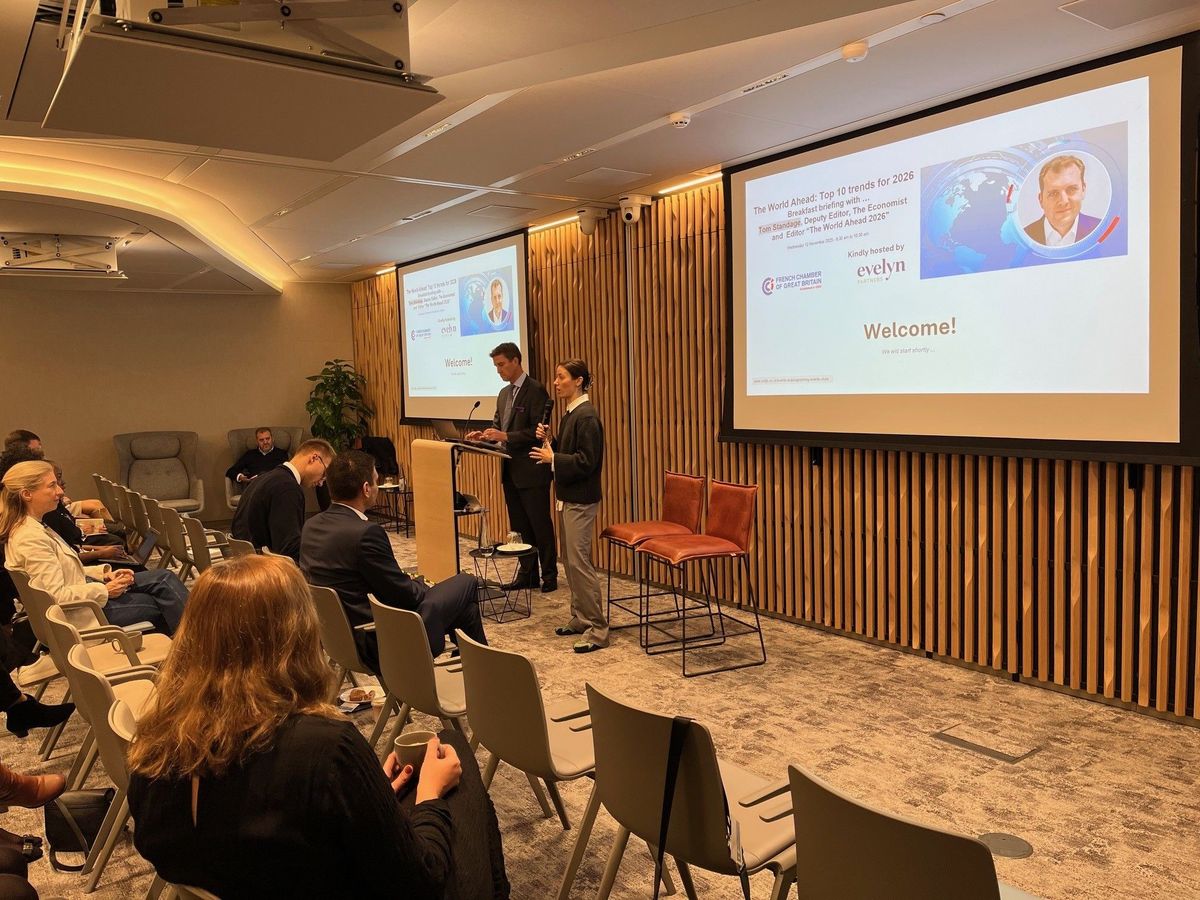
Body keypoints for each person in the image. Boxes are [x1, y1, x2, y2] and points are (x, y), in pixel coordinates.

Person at [127, 554, 509, 900]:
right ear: (297, 634)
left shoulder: (156, 742)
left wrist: (371, 796)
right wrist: (429, 797)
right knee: (453, 750)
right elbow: (421, 882)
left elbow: (263, 829)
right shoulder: (326, 747)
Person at [300, 451, 487, 672]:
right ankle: (483, 671)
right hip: (381, 642)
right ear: (366, 488)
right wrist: (421, 584)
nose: (377, 487)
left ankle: (480, 671)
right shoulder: (365, 533)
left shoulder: (311, 526)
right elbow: (406, 596)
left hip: (339, 640)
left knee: (466, 611)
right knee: (466, 581)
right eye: (376, 481)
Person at [1, 461, 188, 636]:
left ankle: (192, 645)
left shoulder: (33, 527)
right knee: (164, 601)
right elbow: (56, 597)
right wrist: (105, 590)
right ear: (27, 494)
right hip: (81, 616)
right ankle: (193, 648)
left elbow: (64, 571)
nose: (60, 491)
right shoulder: (30, 539)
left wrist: (104, 574)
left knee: (163, 578)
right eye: (52, 486)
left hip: (85, 598)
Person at [466, 343, 556, 592]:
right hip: (510, 471)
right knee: (520, 526)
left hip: (532, 469)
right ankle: (528, 574)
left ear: (516, 361)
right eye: (496, 366)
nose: (498, 370)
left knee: (539, 525)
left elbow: (536, 432)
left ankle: (549, 575)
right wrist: (485, 437)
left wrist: (504, 436)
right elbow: (499, 429)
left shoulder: (536, 390)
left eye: (501, 364)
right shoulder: (503, 394)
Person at [531, 359, 607, 652]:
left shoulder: (587, 416)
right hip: (567, 497)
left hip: (580, 500)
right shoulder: (571, 413)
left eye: (561, 377)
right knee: (570, 561)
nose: (555, 382)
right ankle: (580, 618)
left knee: (579, 563)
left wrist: (554, 459)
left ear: (578, 381)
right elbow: (570, 451)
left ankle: (597, 629)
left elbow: (587, 461)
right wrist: (552, 441)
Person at [231, 439, 334, 562]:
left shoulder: (262, 478)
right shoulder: (287, 488)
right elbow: (289, 551)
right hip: (265, 567)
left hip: (246, 564)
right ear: (314, 458)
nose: (322, 483)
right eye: (324, 474)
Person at [1024, 154, 1099, 247]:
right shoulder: (1022, 238)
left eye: (1071, 189)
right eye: (1054, 193)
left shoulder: (1101, 231)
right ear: (1041, 200)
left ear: (1083, 190)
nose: (1064, 201)